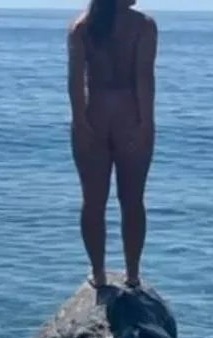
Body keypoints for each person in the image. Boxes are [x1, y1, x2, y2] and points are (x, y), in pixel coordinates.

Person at [66, 0, 158, 289]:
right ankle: (132, 274)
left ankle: (99, 273)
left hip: (95, 113)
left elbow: (75, 82)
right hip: (130, 115)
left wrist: (80, 122)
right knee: (132, 201)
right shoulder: (143, 26)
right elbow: (144, 78)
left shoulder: (81, 27)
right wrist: (146, 123)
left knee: (93, 202)